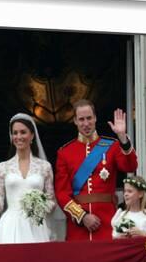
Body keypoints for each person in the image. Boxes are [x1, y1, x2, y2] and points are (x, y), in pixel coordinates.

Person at [55, 99, 138, 241]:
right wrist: (82, 216)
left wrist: (123, 138)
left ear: (95, 118)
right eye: (81, 119)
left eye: (89, 118)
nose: (86, 123)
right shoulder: (65, 152)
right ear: (75, 121)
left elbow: (130, 166)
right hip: (79, 227)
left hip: (107, 222)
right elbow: (62, 193)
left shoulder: (111, 146)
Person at [0, 113, 56, 244]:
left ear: (32, 135)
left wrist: (38, 206)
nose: (18, 137)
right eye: (15, 133)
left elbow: (52, 202)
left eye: (23, 132)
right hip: (10, 226)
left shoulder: (44, 167)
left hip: (36, 226)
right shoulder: (3, 167)